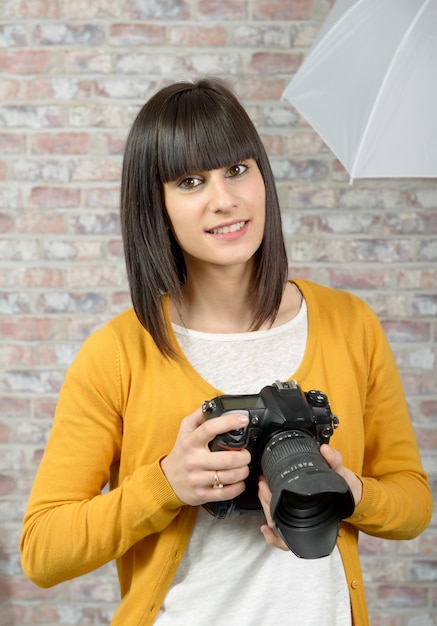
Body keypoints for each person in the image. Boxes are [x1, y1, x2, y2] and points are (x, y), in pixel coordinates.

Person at [20, 78, 432, 626]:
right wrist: (167, 482)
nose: (225, 200)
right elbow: (43, 551)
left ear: (262, 175)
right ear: (157, 206)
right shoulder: (117, 354)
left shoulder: (349, 325)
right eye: (191, 181)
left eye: (237, 169)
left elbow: (413, 505)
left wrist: (347, 490)